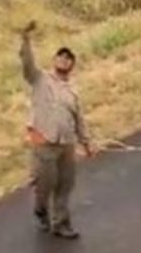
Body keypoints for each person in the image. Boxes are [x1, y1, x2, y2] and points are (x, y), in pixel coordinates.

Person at [19, 21, 95, 240]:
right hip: (44, 142)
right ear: (54, 60)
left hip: (67, 144)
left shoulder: (72, 89)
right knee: (45, 184)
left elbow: (78, 118)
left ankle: (61, 224)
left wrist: (86, 142)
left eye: (68, 58)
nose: (64, 59)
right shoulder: (40, 79)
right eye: (61, 56)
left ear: (72, 65)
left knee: (64, 185)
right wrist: (25, 39)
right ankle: (40, 209)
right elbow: (27, 64)